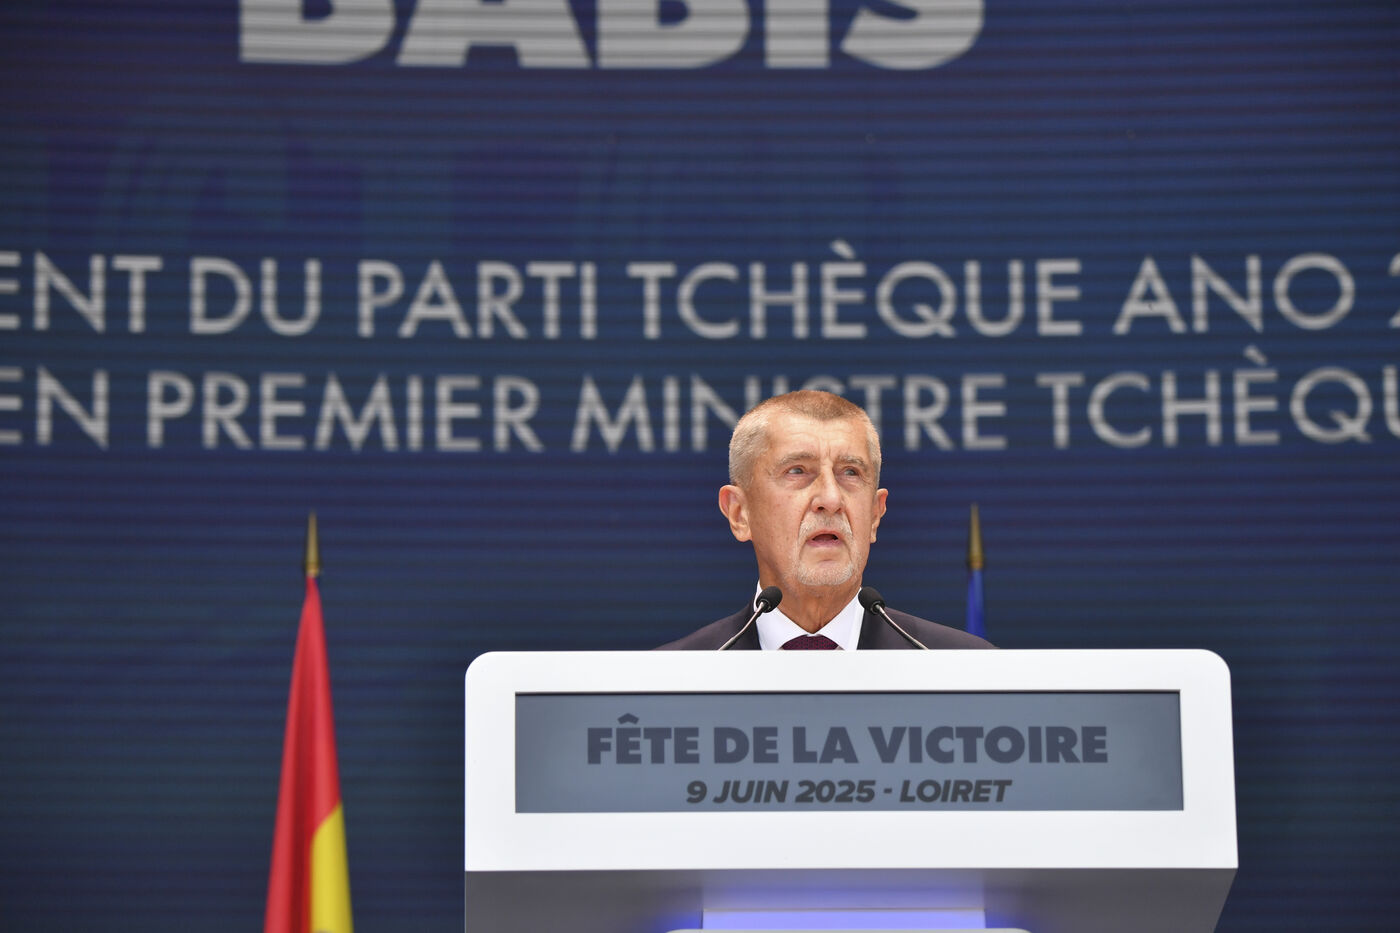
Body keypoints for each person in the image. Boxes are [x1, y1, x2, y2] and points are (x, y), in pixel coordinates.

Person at [659, 390, 994, 650]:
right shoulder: (673, 682)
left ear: (875, 514)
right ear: (739, 513)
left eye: (850, 472)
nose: (831, 499)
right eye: (797, 471)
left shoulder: (961, 671)